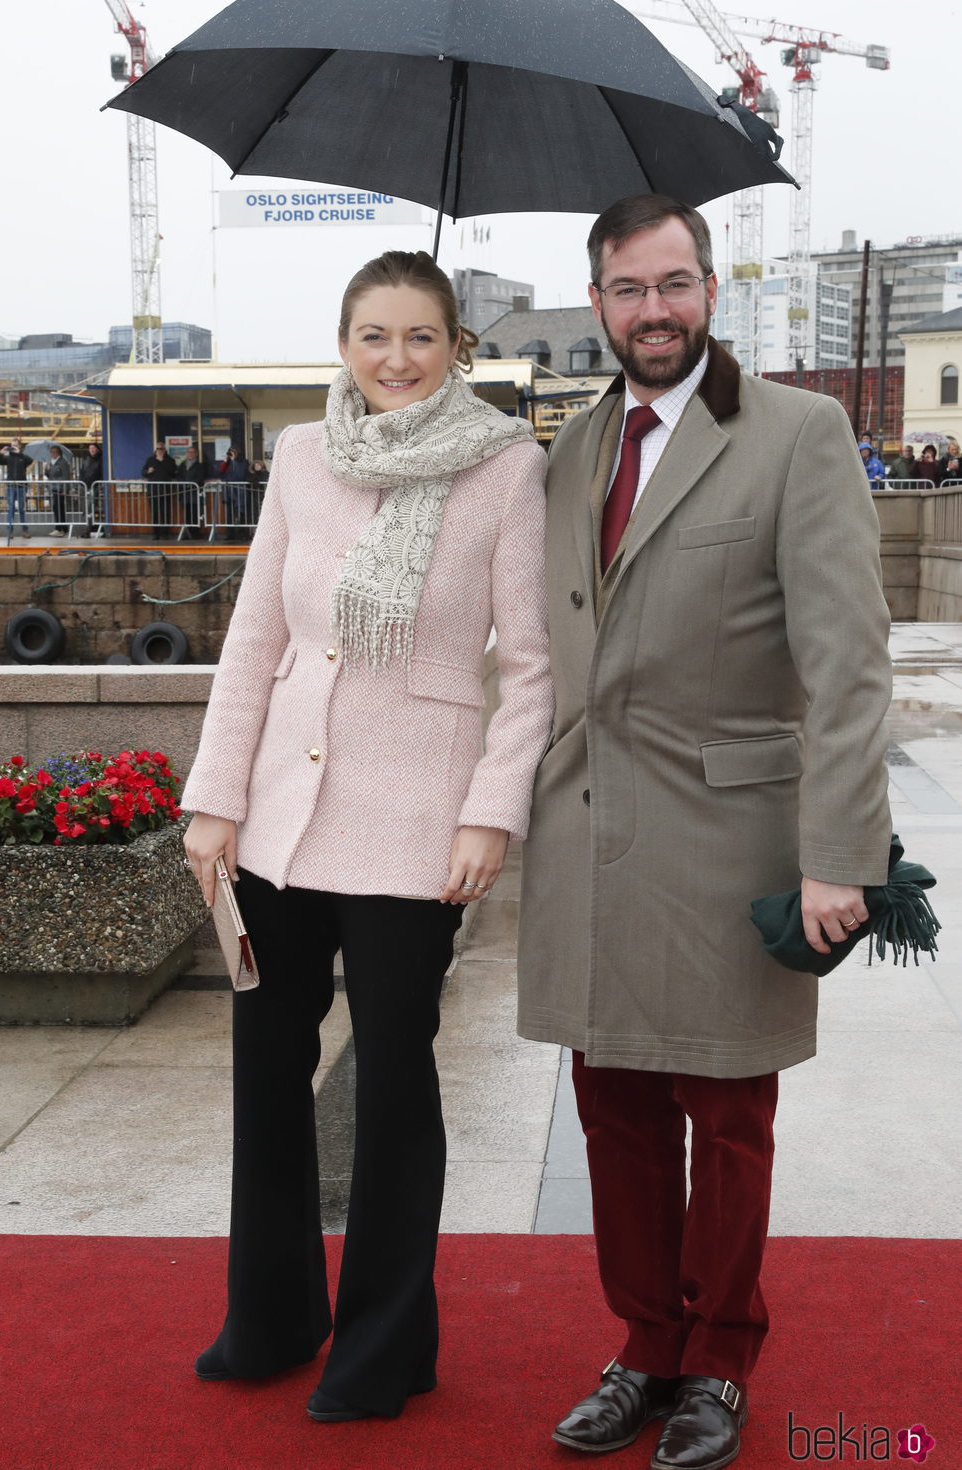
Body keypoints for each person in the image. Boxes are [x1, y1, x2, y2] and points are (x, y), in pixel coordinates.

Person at [517, 195, 892, 1470]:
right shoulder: (569, 447)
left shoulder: (795, 433)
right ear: (597, 304)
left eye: (673, 284)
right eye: (627, 290)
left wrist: (841, 851)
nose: (653, 311)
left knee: (726, 1117)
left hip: (731, 832)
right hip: (592, 833)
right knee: (611, 1107)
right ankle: (644, 1346)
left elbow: (848, 666)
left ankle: (719, 1361)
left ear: (710, 290)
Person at [181, 249, 552, 1423]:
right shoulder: (300, 454)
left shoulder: (505, 468)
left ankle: (382, 1347)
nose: (396, 359)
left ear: (457, 348)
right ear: (343, 344)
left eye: (421, 337)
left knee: (394, 1084)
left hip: (415, 827)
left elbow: (531, 671)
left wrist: (492, 811)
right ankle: (272, 1317)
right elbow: (254, 644)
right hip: (278, 825)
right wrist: (213, 797)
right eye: (373, 336)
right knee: (265, 1072)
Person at [0, 438, 32, 541]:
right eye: (11, 445)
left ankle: (25, 530)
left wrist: (19, 453)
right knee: (10, 509)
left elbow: (30, 460)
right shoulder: (8, 458)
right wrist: (1, 453)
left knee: (21, 509)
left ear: (19, 446)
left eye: (14, 445)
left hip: (21, 486)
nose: (12, 447)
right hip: (10, 486)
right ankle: (10, 531)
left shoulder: (22, 457)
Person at [142, 442, 176, 539]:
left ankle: (165, 533)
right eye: (158, 449)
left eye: (161, 449)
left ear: (165, 450)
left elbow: (173, 472)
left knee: (165, 512)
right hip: (153, 491)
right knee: (155, 513)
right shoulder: (150, 460)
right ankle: (156, 533)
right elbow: (143, 472)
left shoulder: (170, 460)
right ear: (155, 450)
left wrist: (162, 461)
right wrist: (148, 471)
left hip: (166, 490)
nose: (159, 451)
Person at [218, 445, 251, 539]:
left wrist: (234, 461)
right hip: (229, 491)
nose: (231, 454)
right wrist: (225, 461)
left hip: (240, 492)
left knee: (241, 513)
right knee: (229, 514)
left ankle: (242, 533)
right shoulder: (227, 463)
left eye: (234, 452)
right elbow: (220, 473)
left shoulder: (244, 462)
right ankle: (230, 534)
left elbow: (240, 475)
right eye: (230, 452)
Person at [178, 444, 207, 539]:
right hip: (185, 494)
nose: (190, 454)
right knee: (187, 514)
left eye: (192, 452)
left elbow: (200, 478)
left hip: (195, 494)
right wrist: (184, 484)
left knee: (196, 514)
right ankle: (189, 533)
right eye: (189, 452)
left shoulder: (200, 465)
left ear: (196, 454)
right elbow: (179, 477)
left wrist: (191, 484)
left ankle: (195, 533)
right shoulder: (182, 465)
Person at [45, 443, 71, 536]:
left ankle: (60, 528)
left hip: (60, 488)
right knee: (56, 508)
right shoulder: (52, 462)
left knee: (59, 508)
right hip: (54, 488)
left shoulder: (62, 462)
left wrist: (65, 489)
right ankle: (61, 528)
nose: (52, 454)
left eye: (54, 452)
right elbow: (50, 476)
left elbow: (65, 476)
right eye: (51, 452)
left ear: (58, 453)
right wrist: (47, 470)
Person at [79, 442, 104, 535]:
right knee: (84, 509)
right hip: (84, 486)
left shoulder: (101, 460)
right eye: (90, 448)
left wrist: (99, 485)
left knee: (90, 508)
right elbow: (81, 471)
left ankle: (87, 530)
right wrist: (80, 482)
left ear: (97, 449)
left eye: (93, 448)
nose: (92, 450)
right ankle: (87, 527)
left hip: (94, 487)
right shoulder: (86, 459)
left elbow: (102, 473)